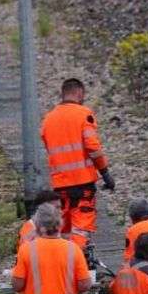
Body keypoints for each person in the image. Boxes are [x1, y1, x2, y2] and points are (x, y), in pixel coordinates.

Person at [40, 78, 115, 250]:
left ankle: (60, 262)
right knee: (80, 229)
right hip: (82, 183)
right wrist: (104, 172)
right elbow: (93, 147)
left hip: (60, 185)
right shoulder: (83, 114)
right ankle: (76, 264)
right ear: (79, 92)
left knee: (63, 229)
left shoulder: (48, 120)